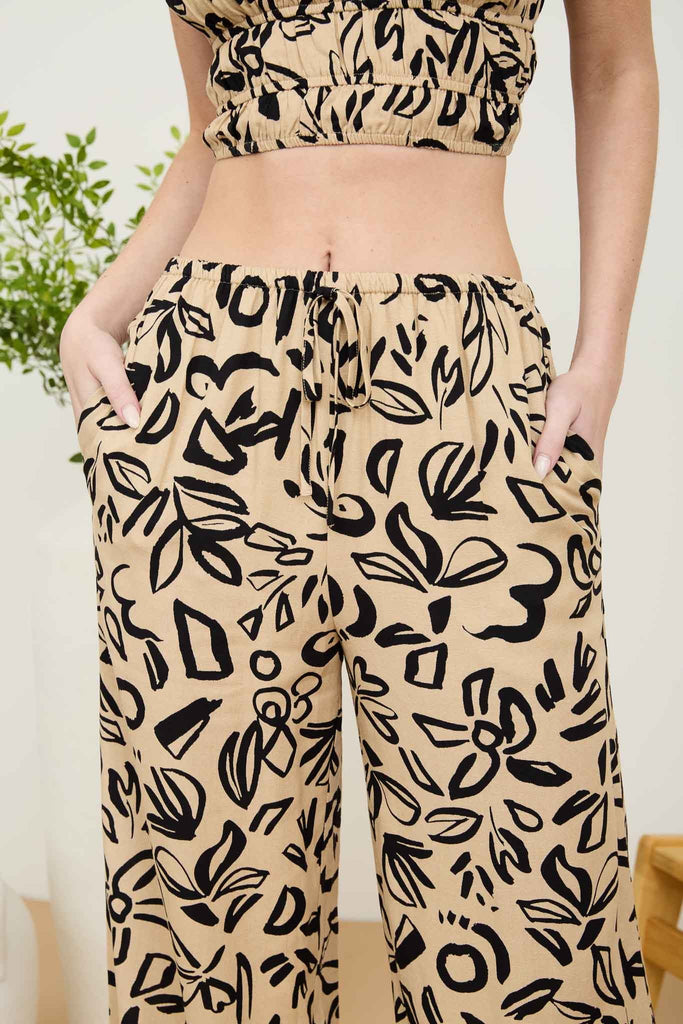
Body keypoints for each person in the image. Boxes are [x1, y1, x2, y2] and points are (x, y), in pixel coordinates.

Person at [59, 1, 659, 1021]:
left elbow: (615, 71)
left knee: (519, 892)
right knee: (216, 904)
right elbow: (220, 127)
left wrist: (598, 361)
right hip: (212, 391)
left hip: (458, 381)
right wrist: (100, 312)